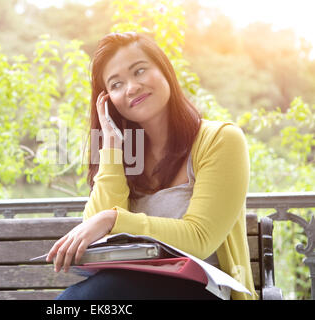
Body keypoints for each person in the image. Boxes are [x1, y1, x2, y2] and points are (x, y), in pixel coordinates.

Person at [46, 32, 258, 300]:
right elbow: (97, 243)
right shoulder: (125, 153)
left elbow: (199, 239)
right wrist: (111, 148)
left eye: (140, 71)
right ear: (107, 100)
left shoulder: (220, 140)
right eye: (116, 84)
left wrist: (112, 219)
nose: (131, 87)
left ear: (165, 71)